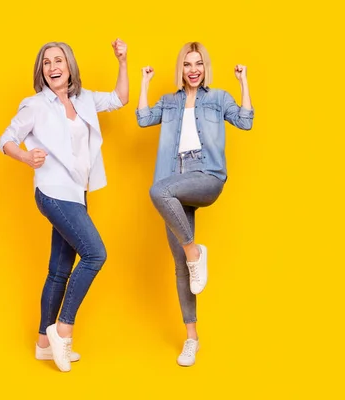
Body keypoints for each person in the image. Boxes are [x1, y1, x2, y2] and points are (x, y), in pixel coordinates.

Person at [0, 39, 128, 372]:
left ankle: (44, 342)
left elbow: (119, 99)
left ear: (70, 66)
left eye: (59, 61)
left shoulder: (83, 100)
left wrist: (122, 61)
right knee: (95, 254)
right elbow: (6, 139)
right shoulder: (35, 105)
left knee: (59, 270)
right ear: (41, 71)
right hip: (52, 191)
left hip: (77, 193)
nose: (53, 67)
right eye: (46, 63)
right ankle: (63, 328)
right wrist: (26, 156)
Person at [136, 41, 254, 366]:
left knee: (158, 192)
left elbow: (245, 121)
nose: (193, 70)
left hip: (206, 175)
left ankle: (195, 252)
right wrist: (145, 83)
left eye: (198, 64)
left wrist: (243, 82)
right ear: (181, 69)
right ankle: (192, 339)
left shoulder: (217, 99)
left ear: (205, 68)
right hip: (176, 179)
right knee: (180, 268)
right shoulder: (170, 103)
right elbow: (144, 119)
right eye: (187, 64)